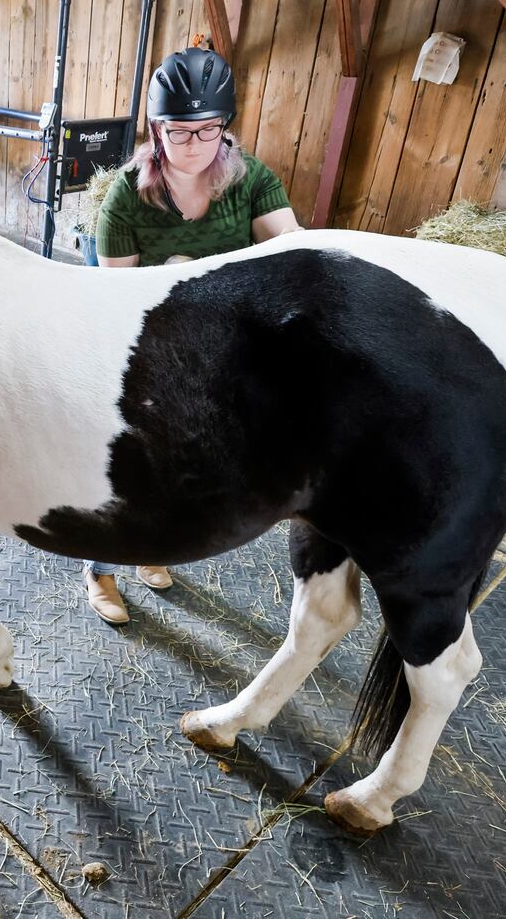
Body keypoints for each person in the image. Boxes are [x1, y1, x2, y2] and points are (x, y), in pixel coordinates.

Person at [82, 45, 303, 625]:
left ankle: (150, 548)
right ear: (157, 129)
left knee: (186, 462)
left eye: (209, 129)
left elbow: (290, 250)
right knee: (127, 461)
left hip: (218, 344)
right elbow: (117, 299)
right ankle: (100, 569)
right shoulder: (127, 195)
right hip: (148, 342)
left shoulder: (250, 179)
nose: (195, 145)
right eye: (179, 132)